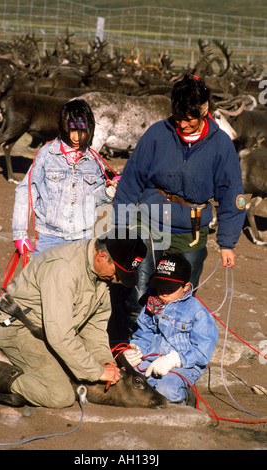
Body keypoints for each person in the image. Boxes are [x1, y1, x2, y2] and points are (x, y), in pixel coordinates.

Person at [112, 74, 246, 326]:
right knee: (137, 290)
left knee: (180, 295)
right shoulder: (156, 134)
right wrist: (121, 224)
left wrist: (227, 242)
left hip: (190, 230)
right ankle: (131, 347)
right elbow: (132, 179)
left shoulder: (221, 145)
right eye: (178, 117)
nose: (182, 124)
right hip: (149, 221)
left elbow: (231, 194)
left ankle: (170, 349)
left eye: (189, 119)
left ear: (204, 111)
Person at [0, 229, 147, 408]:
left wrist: (104, 360)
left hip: (49, 332)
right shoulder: (64, 269)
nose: (116, 279)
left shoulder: (100, 273)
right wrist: (97, 371)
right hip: (19, 328)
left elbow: (95, 325)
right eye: (118, 272)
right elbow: (59, 335)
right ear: (101, 257)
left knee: (77, 372)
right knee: (60, 396)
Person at [12, 99, 116, 257]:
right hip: (49, 238)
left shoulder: (95, 161)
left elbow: (93, 199)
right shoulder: (47, 154)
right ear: (63, 128)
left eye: (82, 132)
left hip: (82, 240)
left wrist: (109, 192)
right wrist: (20, 232)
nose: (76, 138)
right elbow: (27, 191)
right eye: (72, 131)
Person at [124, 253, 218, 405]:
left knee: (165, 390)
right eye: (160, 287)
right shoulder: (152, 303)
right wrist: (136, 348)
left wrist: (175, 359)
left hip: (184, 366)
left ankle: (187, 396)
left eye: (170, 288)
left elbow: (202, 351)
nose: (164, 292)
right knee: (124, 380)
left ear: (186, 286)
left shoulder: (198, 312)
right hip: (150, 359)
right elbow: (144, 333)